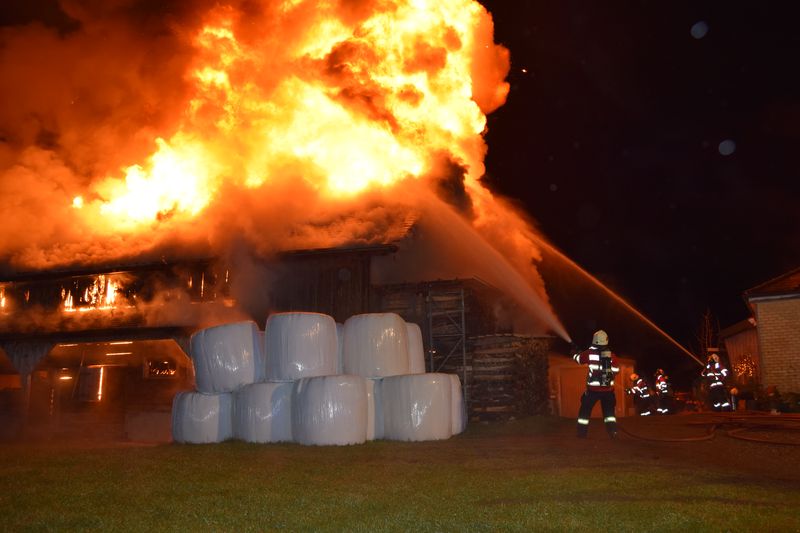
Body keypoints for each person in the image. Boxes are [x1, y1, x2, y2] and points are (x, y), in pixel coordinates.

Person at [572, 329, 620, 438]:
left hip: (592, 391)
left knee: (585, 411)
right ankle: (613, 432)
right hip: (608, 390)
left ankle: (581, 433)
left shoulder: (589, 353)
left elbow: (579, 359)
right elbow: (616, 371)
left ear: (594, 340)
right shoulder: (611, 355)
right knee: (609, 414)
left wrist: (574, 354)